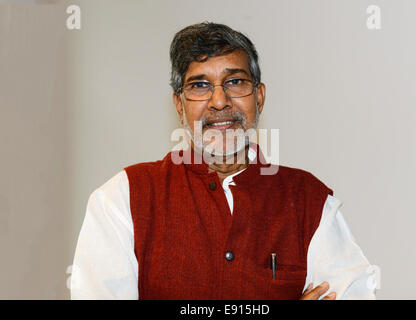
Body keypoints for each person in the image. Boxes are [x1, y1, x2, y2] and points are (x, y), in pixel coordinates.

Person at [70, 22, 377, 300]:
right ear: (179, 105)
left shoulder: (310, 200)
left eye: (235, 82)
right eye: (200, 85)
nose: (219, 101)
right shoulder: (122, 199)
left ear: (259, 98)